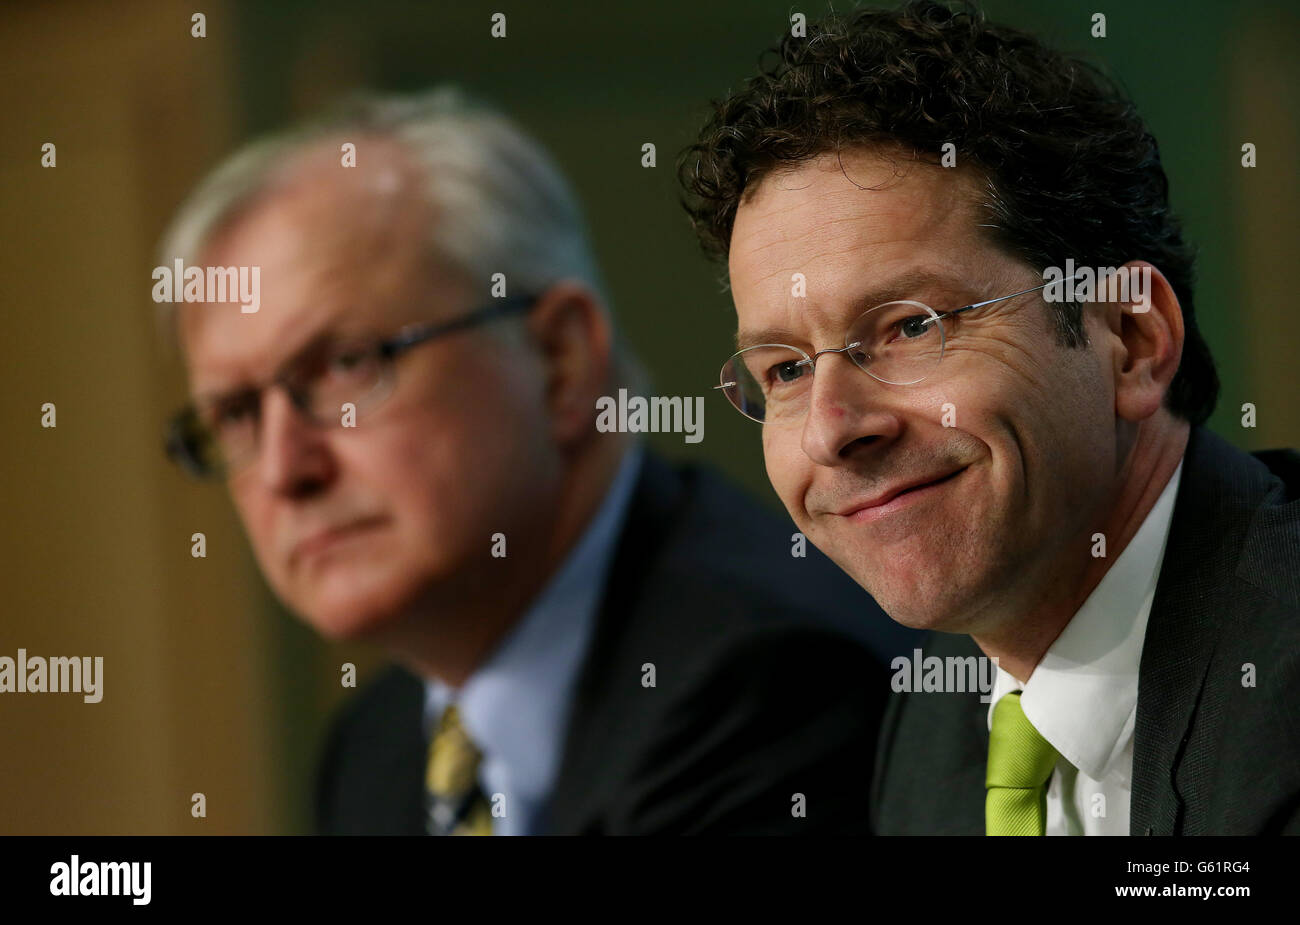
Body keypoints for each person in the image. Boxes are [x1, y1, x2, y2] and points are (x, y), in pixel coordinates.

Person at [157, 88, 915, 835]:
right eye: (235, 413)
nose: (286, 469)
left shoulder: (772, 684)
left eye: (345, 366)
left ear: (558, 359)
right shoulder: (374, 748)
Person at [679, 0, 1300, 835]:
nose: (832, 429)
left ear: (1131, 338)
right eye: (786, 369)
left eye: (909, 327)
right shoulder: (933, 723)